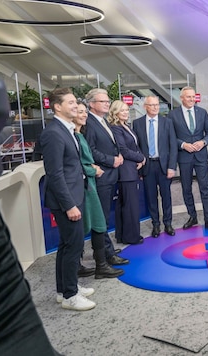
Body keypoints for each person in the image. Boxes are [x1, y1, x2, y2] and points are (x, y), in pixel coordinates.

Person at [40, 88, 95, 311]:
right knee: (73, 246)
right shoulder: (53, 133)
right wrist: (70, 205)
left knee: (66, 245)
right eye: (70, 103)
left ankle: (65, 290)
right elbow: (55, 174)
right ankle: (71, 295)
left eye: (75, 102)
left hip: (74, 195)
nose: (75, 106)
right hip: (67, 200)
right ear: (57, 107)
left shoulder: (66, 130)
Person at [74, 102, 124, 279]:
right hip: (95, 179)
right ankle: (104, 259)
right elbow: (85, 157)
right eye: (78, 111)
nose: (83, 115)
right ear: (92, 104)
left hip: (102, 177)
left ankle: (105, 256)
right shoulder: (83, 130)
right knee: (98, 221)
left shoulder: (93, 126)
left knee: (101, 220)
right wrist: (108, 162)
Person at [84, 88, 128, 266]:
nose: (107, 104)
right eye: (103, 101)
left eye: (107, 101)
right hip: (101, 175)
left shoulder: (103, 121)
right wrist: (112, 160)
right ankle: (105, 256)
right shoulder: (89, 123)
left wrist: (118, 156)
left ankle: (106, 250)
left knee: (104, 217)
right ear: (92, 104)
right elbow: (90, 150)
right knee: (101, 218)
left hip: (111, 174)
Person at [168, 86, 208, 232]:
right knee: (186, 188)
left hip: (200, 155)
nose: (191, 99)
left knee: (205, 188)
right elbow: (170, 136)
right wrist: (183, 145)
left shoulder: (202, 112)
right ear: (182, 98)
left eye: (193, 97)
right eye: (188, 97)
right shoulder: (173, 115)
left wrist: (203, 142)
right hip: (184, 156)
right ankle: (192, 216)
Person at [133, 96, 178, 237]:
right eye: (151, 105)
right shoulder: (137, 123)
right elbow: (136, 146)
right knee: (151, 197)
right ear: (145, 107)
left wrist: (172, 167)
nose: (155, 107)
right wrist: (140, 167)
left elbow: (173, 146)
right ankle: (156, 225)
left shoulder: (167, 122)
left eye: (157, 105)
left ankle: (168, 224)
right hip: (147, 166)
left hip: (163, 165)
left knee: (166, 196)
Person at [108, 100, 146, 244]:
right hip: (125, 172)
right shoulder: (116, 128)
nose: (126, 112)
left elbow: (134, 146)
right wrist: (141, 157)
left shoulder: (126, 126)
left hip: (131, 170)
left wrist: (140, 158)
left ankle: (123, 235)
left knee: (126, 204)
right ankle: (131, 237)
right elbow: (123, 149)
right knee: (129, 206)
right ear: (115, 112)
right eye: (122, 110)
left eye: (126, 110)